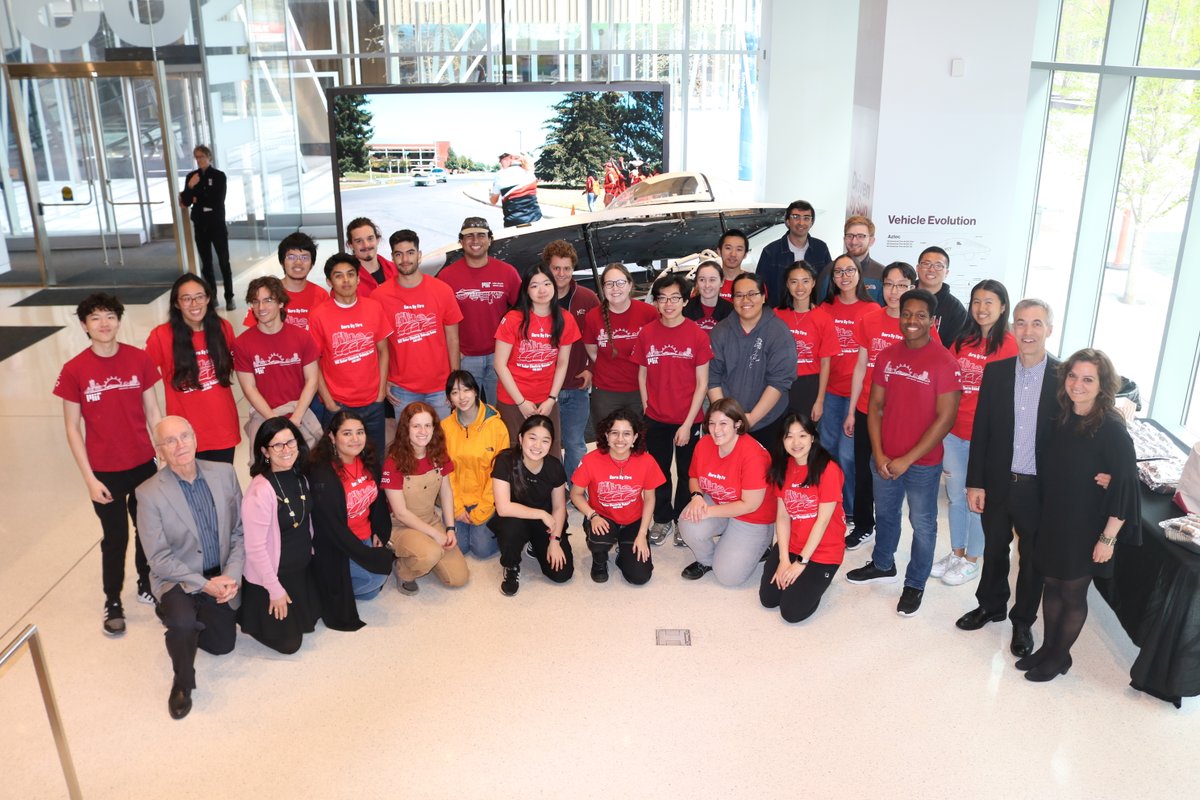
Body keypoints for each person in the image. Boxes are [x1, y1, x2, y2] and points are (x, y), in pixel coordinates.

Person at [1021, 349, 1139, 682]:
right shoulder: (1063, 416)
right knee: (1051, 584)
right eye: (1073, 376)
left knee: (1072, 593)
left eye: (1088, 379)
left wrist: (1108, 538)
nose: (1078, 384)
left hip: (1086, 525)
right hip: (1055, 517)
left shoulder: (1111, 427)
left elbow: (1127, 485)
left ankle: (1059, 657)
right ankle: (1048, 649)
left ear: (1102, 385)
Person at [845, 289, 962, 617]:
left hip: (922, 463)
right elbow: (875, 406)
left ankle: (915, 582)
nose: (912, 321)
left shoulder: (945, 363)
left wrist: (905, 460)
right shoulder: (887, 356)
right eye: (907, 314)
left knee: (923, 523)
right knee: (885, 515)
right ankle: (883, 565)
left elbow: (946, 419)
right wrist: (880, 455)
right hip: (884, 458)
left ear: (932, 320)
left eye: (920, 315)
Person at [956, 299, 1061, 658]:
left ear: (1050, 329)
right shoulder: (997, 372)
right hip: (998, 482)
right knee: (995, 548)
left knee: (1032, 559)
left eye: (1036, 324)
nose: (1028, 331)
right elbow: (981, 430)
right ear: (1012, 328)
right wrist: (974, 482)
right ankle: (991, 605)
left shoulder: (1065, 379)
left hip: (1040, 489)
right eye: (1021, 323)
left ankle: (1022, 621)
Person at [55, 293, 163, 635]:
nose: (104, 324)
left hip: (143, 462)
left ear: (119, 320)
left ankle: (148, 583)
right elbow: (72, 428)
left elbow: (153, 411)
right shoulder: (75, 370)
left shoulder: (139, 360)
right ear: (84, 325)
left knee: (147, 530)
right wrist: (88, 478)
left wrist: (162, 449)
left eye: (110, 316)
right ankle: (112, 599)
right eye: (96, 318)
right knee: (114, 536)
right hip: (104, 470)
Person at [136, 416, 244, 720]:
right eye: (170, 441)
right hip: (176, 577)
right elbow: (158, 558)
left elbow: (240, 531)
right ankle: (182, 682)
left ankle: (189, 613)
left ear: (196, 438)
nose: (180, 445)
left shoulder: (224, 473)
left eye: (184, 436)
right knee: (183, 625)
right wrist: (203, 584)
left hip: (219, 571)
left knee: (223, 646)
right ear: (159, 450)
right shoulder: (148, 493)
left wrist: (232, 576)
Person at [931, 279, 1017, 586]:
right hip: (955, 432)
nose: (981, 308)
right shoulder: (963, 340)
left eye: (989, 302)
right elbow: (949, 382)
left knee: (977, 498)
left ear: (1002, 306)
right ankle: (956, 552)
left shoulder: (1010, 345)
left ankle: (972, 559)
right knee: (955, 496)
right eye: (976, 301)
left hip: (988, 439)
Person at [630, 272, 711, 546]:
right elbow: (642, 374)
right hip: (656, 418)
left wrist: (688, 424)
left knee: (689, 472)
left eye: (674, 298)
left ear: (685, 300)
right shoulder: (647, 333)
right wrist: (646, 406)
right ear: (656, 301)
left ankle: (683, 520)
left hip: (689, 418)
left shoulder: (697, 334)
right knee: (660, 471)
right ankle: (663, 518)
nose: (668, 304)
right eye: (662, 298)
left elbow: (702, 383)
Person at [841, 261, 916, 550]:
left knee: (891, 475)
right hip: (865, 409)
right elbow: (861, 366)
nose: (894, 291)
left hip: (898, 417)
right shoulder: (870, 319)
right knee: (862, 470)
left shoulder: (917, 323)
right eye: (888, 284)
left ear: (912, 287)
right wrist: (850, 410)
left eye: (901, 285)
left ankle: (889, 534)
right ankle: (863, 525)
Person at [238, 418, 321, 655]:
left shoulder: (300, 476)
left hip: (301, 571)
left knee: (312, 620)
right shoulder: (260, 491)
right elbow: (255, 549)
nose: (286, 450)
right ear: (264, 451)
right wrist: (274, 590)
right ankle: (249, 614)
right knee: (290, 646)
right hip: (273, 575)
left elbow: (305, 524)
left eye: (290, 442)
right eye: (277, 445)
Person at [308, 410, 396, 631]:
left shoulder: (368, 461)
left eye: (360, 432)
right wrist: (364, 554)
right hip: (336, 544)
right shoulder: (322, 473)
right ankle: (326, 587)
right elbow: (332, 529)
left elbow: (377, 502)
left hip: (364, 534)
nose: (355, 439)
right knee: (375, 577)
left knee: (373, 585)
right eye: (347, 433)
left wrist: (378, 532)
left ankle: (347, 581)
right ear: (332, 437)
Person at [678, 398, 776, 586]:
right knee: (687, 522)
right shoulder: (704, 444)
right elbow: (694, 477)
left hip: (753, 516)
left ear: (737, 424)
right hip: (721, 500)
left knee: (728, 577)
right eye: (712, 423)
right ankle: (707, 561)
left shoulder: (753, 455)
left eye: (723, 423)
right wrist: (697, 497)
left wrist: (707, 511)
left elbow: (750, 505)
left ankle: (762, 544)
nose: (716, 430)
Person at [761, 413, 846, 622]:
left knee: (791, 612)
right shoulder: (782, 467)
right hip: (793, 544)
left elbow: (823, 521)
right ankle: (801, 578)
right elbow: (781, 516)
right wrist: (783, 559)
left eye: (802, 435)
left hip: (823, 550)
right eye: (789, 436)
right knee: (769, 599)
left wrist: (800, 562)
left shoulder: (828, 469)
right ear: (782, 440)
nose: (796, 442)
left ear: (813, 438)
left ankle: (822, 578)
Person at [145, 275, 239, 462]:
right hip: (183, 436)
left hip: (223, 428)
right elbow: (141, 377)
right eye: (186, 298)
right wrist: (157, 430)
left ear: (208, 298)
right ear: (177, 304)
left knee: (222, 488)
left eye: (199, 296)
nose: (194, 303)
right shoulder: (161, 335)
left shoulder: (223, 328)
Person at [372, 229, 462, 420]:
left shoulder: (442, 290)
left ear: (419, 255)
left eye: (410, 252)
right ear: (393, 258)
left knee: (442, 443)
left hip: (440, 387)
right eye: (399, 254)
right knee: (408, 447)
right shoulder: (379, 296)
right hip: (402, 389)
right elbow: (378, 345)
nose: (405, 259)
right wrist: (384, 378)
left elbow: (453, 338)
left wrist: (454, 380)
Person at [381, 402, 470, 594]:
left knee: (458, 578)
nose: (423, 431)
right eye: (416, 426)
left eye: (427, 425)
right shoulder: (393, 462)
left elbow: (446, 491)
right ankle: (403, 570)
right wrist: (435, 535)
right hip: (400, 526)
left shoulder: (438, 453)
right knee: (431, 553)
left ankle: (422, 553)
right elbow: (401, 513)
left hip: (430, 518)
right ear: (406, 429)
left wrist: (450, 528)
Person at [307, 254, 391, 456]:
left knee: (376, 459)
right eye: (339, 276)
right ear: (329, 281)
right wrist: (329, 402)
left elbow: (383, 351)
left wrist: (380, 394)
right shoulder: (318, 315)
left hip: (373, 403)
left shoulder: (373, 308)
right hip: (339, 404)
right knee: (338, 462)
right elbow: (313, 363)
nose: (346, 280)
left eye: (351, 274)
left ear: (358, 278)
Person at [570, 409, 665, 585]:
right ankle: (599, 559)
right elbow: (575, 494)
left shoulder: (646, 461)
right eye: (615, 433)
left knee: (640, 577)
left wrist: (642, 533)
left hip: (633, 520)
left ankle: (624, 551)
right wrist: (592, 515)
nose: (620, 439)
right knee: (599, 540)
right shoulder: (591, 460)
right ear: (606, 435)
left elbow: (650, 498)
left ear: (635, 437)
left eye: (626, 433)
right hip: (602, 516)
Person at [818, 254, 879, 521]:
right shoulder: (824, 309)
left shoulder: (871, 310)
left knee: (848, 454)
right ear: (832, 278)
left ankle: (852, 509)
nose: (844, 276)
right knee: (828, 449)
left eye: (850, 270)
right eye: (839, 271)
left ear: (859, 274)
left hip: (858, 394)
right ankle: (832, 504)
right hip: (830, 392)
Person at [436, 217, 521, 406]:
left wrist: (513, 348)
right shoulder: (446, 277)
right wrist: (452, 354)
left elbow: (522, 313)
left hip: (499, 356)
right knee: (466, 411)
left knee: (500, 411)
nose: (475, 241)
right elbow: (438, 321)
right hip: (464, 357)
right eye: (469, 236)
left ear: (490, 240)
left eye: (481, 235)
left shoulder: (507, 272)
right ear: (461, 242)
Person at [233, 276, 322, 452]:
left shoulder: (302, 337)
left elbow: (312, 380)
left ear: (281, 303)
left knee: (309, 470)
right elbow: (249, 388)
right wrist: (274, 420)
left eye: (268, 300)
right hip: (265, 417)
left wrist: (296, 418)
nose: (261, 308)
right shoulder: (242, 343)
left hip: (300, 413)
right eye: (255, 302)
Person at [708, 272, 796, 449]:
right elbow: (712, 378)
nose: (745, 300)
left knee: (765, 472)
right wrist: (726, 418)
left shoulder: (778, 331)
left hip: (769, 421)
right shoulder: (720, 331)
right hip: (728, 424)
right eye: (739, 295)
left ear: (763, 297)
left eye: (752, 294)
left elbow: (779, 382)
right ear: (732, 300)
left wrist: (751, 418)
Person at [489, 415, 573, 595]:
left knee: (562, 574)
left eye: (545, 440)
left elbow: (559, 507)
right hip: (515, 518)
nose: (537, 446)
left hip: (545, 523)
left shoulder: (554, 466)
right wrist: (542, 514)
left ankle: (535, 545)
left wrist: (555, 541)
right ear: (520, 438)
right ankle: (511, 567)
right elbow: (503, 508)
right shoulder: (505, 461)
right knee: (510, 529)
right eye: (532, 438)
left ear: (551, 444)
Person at [545, 239, 599, 480]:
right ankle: (554, 490)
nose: (561, 274)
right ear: (547, 267)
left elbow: (601, 338)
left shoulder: (588, 299)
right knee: (549, 442)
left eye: (566, 268)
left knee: (576, 443)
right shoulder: (537, 297)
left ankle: (575, 488)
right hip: (545, 388)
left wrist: (591, 369)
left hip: (577, 386)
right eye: (556, 268)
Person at [441, 370, 509, 559]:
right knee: (458, 548)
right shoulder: (445, 427)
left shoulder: (496, 426)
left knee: (482, 549)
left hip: (486, 500)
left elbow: (499, 474)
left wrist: (483, 510)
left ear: (476, 391)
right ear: (449, 398)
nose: (461, 397)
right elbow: (446, 473)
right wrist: (457, 507)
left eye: (466, 390)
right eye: (454, 392)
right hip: (458, 500)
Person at [583, 262, 658, 423]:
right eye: (609, 284)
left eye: (620, 283)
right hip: (606, 392)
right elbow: (591, 350)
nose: (615, 288)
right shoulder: (593, 317)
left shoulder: (649, 313)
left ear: (630, 284)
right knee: (607, 442)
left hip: (640, 390)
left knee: (638, 442)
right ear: (603, 288)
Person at [774, 261, 837, 424]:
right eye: (794, 281)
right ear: (787, 284)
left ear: (814, 283)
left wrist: (820, 401)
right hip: (779, 383)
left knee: (803, 436)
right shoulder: (776, 315)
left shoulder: (824, 318)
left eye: (805, 281)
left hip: (808, 385)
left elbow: (825, 364)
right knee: (778, 436)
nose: (800, 287)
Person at [178, 145, 234, 311]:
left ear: (209, 157)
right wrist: (190, 187)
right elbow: (185, 201)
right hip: (200, 225)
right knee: (206, 263)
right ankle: (213, 296)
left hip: (216, 224)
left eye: (202, 156)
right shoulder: (192, 177)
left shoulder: (219, 176)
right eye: (197, 157)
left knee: (224, 261)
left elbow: (217, 200)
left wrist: (197, 198)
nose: (200, 160)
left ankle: (229, 297)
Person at [240, 232, 328, 332]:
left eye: (304, 257)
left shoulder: (321, 295)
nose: (298, 262)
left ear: (312, 264)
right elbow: (251, 334)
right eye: (291, 257)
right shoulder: (266, 292)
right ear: (282, 262)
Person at [756, 201, 833, 300]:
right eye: (796, 217)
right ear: (787, 221)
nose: (801, 223)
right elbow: (760, 288)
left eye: (806, 218)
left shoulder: (821, 249)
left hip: (813, 310)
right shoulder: (770, 252)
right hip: (779, 311)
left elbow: (829, 282)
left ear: (812, 222)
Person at [815, 215, 884, 303]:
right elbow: (820, 309)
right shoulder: (829, 270)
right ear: (844, 239)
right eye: (850, 236)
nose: (854, 241)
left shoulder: (881, 274)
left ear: (871, 241)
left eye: (860, 236)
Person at [916, 246, 968, 347]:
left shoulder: (956, 309)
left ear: (946, 273)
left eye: (938, 265)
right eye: (926, 264)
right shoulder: (903, 296)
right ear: (917, 268)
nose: (931, 269)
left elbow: (952, 350)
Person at [345, 217, 397, 298]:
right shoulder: (345, 280)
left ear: (377, 240)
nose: (366, 245)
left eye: (370, 238)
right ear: (350, 245)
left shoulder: (396, 270)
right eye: (358, 241)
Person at [489, 152, 543, 227]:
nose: (500, 164)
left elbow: (493, 201)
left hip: (513, 222)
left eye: (500, 161)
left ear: (508, 159)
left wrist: (490, 194)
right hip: (536, 219)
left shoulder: (500, 175)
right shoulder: (530, 173)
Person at [683, 256, 734, 333]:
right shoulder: (685, 309)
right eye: (702, 280)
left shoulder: (731, 311)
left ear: (722, 282)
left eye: (712, 280)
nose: (707, 285)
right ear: (696, 282)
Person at [716, 229, 751, 301]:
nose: (733, 254)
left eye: (739, 249)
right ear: (719, 251)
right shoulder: (707, 282)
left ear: (745, 254)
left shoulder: (753, 283)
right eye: (728, 248)